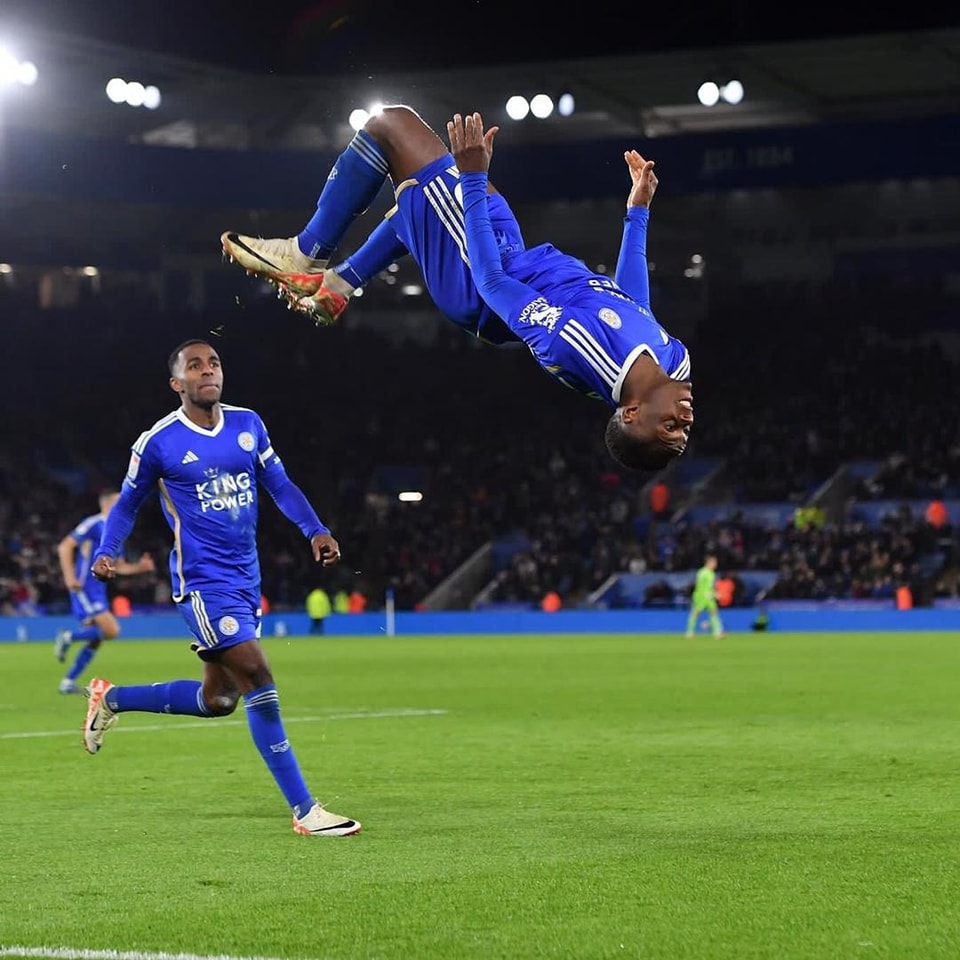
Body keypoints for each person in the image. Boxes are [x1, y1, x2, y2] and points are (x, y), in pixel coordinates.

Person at [221, 105, 692, 471]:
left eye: (669, 426)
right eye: (682, 427)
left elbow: (492, 284)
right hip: (518, 256)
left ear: (631, 414)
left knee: (392, 124)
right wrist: (637, 212)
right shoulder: (675, 362)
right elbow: (634, 304)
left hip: (477, 281)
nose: (685, 419)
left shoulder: (575, 348)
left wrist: (469, 177)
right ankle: (337, 286)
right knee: (425, 203)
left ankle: (304, 254)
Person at [83, 338, 360, 838]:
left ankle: (112, 698)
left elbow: (280, 485)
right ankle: (304, 810)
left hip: (245, 578)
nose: (208, 370)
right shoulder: (158, 442)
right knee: (258, 675)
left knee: (220, 701)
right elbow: (126, 504)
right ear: (177, 383)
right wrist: (108, 551)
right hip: (202, 583)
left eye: (213, 363)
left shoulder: (248, 425)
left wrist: (315, 529)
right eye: (195, 366)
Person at [53, 490, 155, 694]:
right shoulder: (94, 524)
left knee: (97, 638)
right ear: (107, 504)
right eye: (119, 501)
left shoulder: (117, 532)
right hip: (84, 587)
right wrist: (69, 577)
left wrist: (139, 568)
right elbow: (65, 546)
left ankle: (68, 682)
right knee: (112, 630)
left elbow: (120, 566)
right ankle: (69, 636)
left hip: (99, 590)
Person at [685, 555, 726, 639]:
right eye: (714, 562)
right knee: (695, 613)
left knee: (714, 611)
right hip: (701, 596)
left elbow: (710, 586)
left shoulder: (712, 573)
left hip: (709, 596)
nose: (715, 564)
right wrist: (704, 594)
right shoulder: (702, 572)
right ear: (709, 563)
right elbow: (699, 584)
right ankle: (689, 632)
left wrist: (714, 593)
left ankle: (717, 633)